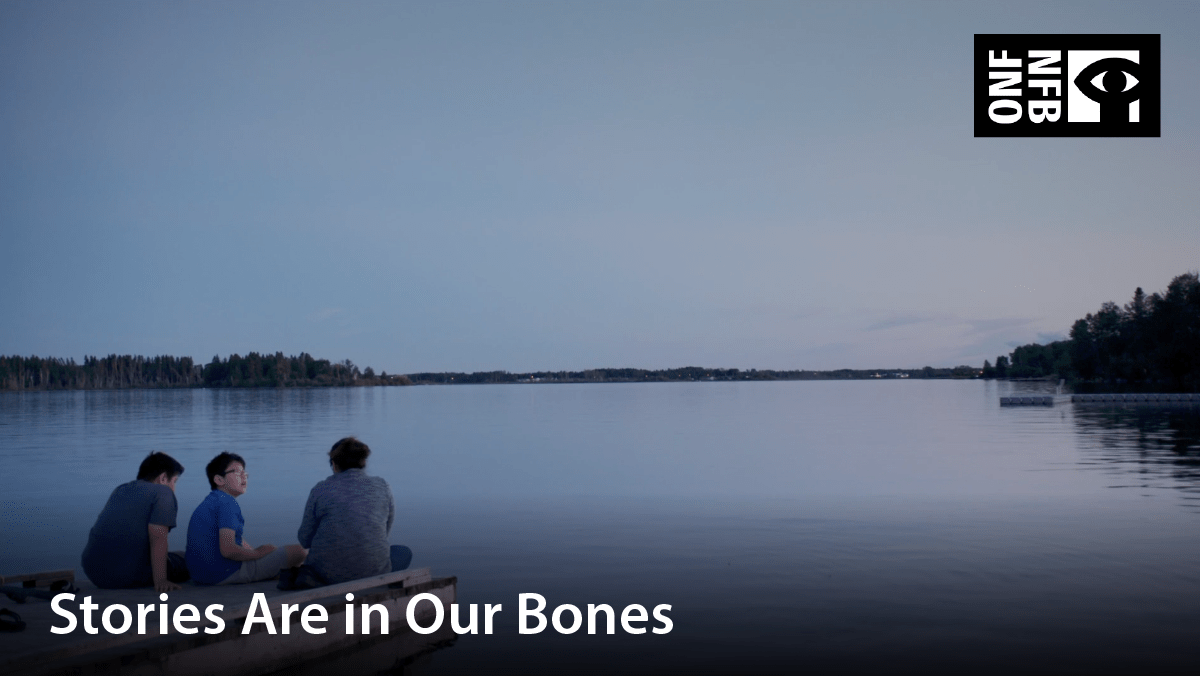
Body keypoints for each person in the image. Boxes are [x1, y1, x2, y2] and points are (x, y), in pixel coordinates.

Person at [294, 437, 411, 586]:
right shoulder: (382, 486)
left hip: (327, 575)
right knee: (403, 553)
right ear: (364, 463)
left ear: (334, 464)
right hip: (374, 573)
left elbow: (304, 540)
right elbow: (384, 532)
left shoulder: (321, 489)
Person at [185, 452, 306, 585]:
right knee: (299, 551)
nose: (244, 477)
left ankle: (275, 573)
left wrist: (254, 552)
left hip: (200, 575)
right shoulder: (228, 503)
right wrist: (258, 554)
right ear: (219, 480)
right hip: (224, 574)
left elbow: (235, 538)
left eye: (245, 473)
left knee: (269, 553)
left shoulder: (211, 501)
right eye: (237, 472)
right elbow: (228, 550)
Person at [81, 451, 189, 592]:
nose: (174, 488)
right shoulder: (163, 493)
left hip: (94, 573)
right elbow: (158, 538)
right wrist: (161, 580)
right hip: (129, 575)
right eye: (174, 481)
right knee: (190, 559)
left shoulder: (120, 490)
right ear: (163, 478)